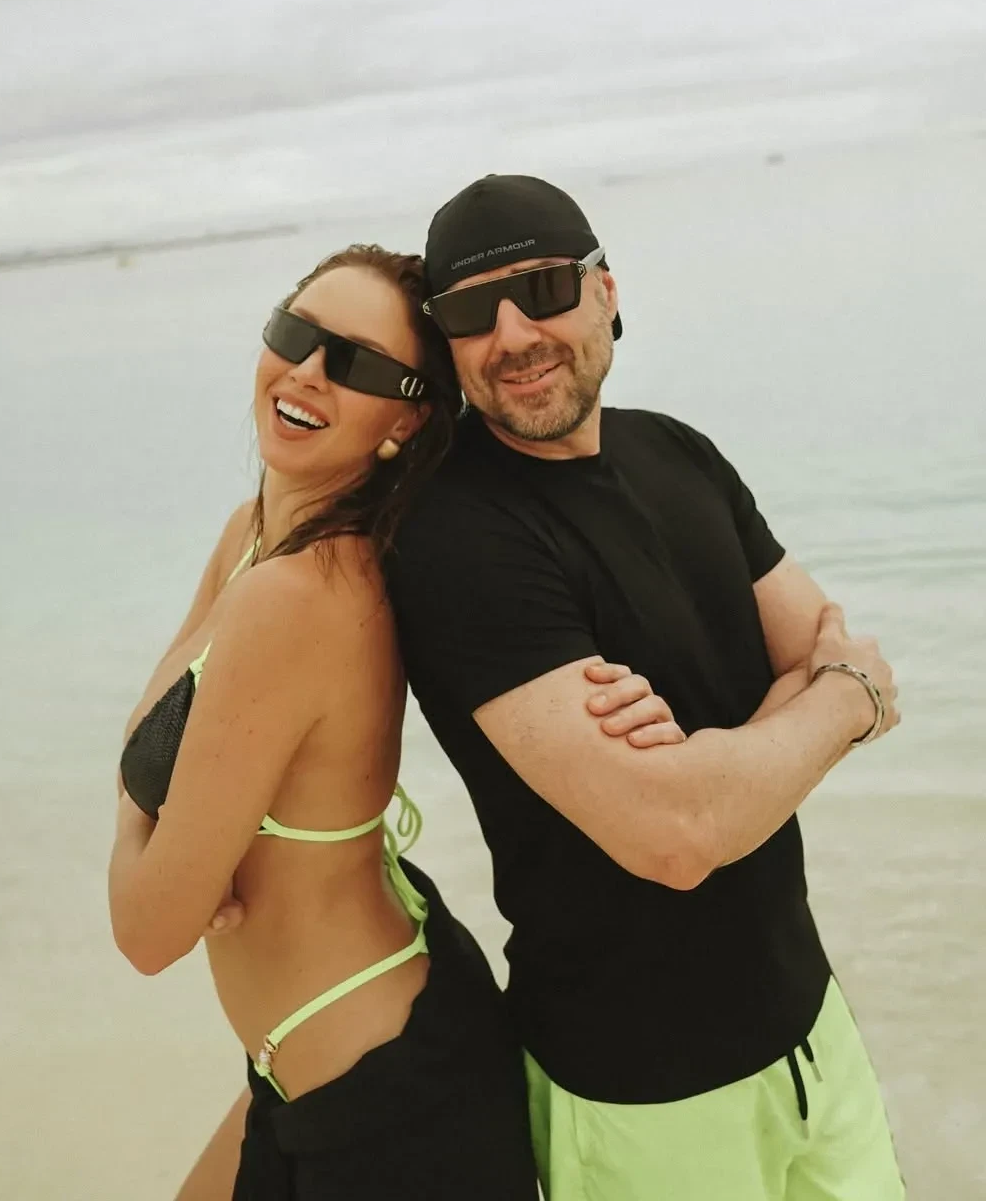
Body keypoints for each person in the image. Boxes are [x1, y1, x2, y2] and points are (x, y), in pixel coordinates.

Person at [110, 242, 679, 1200]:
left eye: (357, 365)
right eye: (296, 332)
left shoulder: (298, 596)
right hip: (306, 1067)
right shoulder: (252, 534)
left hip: (391, 1102)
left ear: (409, 418)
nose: (307, 371)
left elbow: (147, 931)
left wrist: (154, 833)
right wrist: (165, 832)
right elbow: (150, 756)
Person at [380, 174, 907, 1200]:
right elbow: (675, 838)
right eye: (470, 312)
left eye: (542, 289)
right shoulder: (455, 535)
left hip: (814, 1032)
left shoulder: (677, 452)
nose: (513, 334)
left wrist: (719, 767)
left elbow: (828, 647)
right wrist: (837, 703)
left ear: (606, 291)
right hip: (639, 1093)